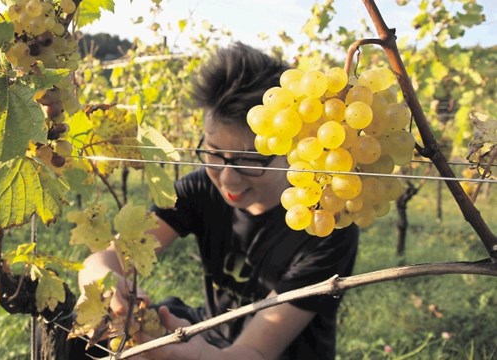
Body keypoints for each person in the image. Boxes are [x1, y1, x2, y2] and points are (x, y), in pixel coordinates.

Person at [75, 42, 359, 359]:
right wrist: (105, 284)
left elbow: (254, 351)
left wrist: (193, 355)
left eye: (248, 160)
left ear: (294, 147)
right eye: (212, 152)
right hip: (214, 337)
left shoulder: (324, 224)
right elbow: (105, 260)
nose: (227, 178)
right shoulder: (200, 188)